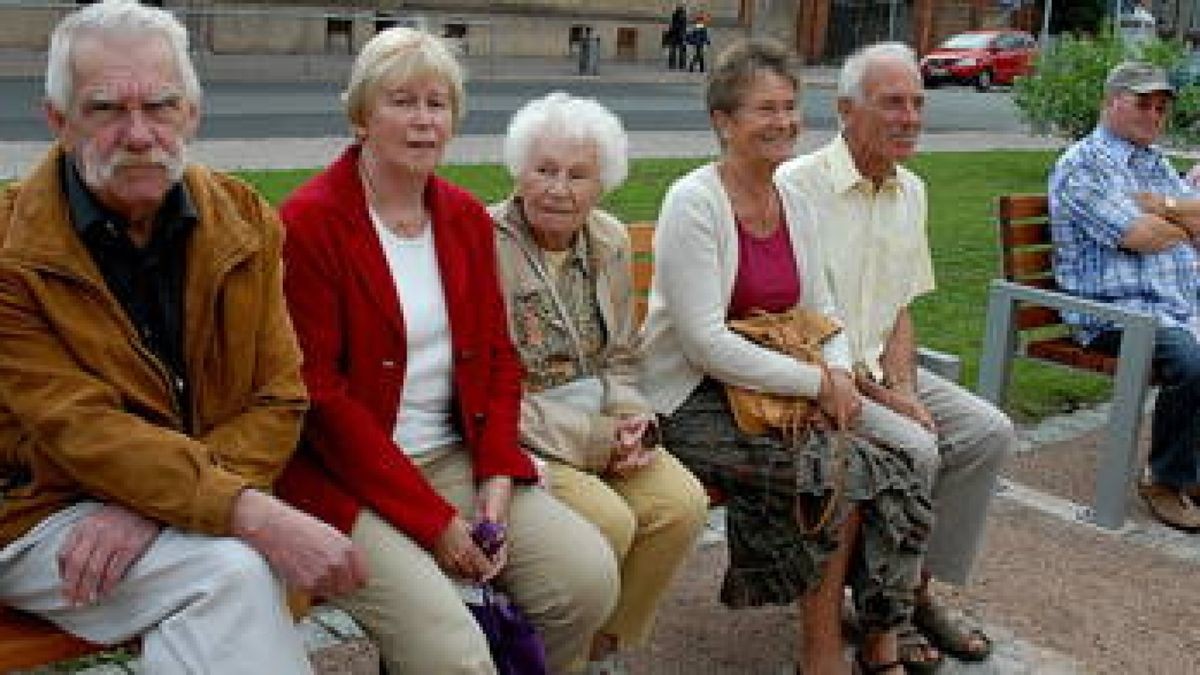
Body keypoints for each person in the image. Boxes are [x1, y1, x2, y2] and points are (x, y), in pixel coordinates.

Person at [0, 1, 366, 673]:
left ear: (192, 113)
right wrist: (243, 511)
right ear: (58, 120)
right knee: (229, 568)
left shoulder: (245, 221)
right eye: (106, 109)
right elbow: (76, 427)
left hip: (192, 499)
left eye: (162, 105)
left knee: (218, 580)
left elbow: (278, 400)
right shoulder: (10, 248)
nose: (139, 134)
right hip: (38, 509)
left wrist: (169, 509)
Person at [273, 27, 620, 674]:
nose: (423, 120)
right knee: (453, 653)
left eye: (438, 103)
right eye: (401, 101)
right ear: (361, 115)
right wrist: (437, 523)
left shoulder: (461, 216)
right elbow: (319, 399)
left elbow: (495, 359)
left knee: (586, 578)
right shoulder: (310, 222)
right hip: (344, 476)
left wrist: (496, 477)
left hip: (453, 454)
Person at [641, 38, 932, 675]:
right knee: (841, 470)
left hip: (781, 387)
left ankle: (886, 625)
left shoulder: (793, 202)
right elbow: (704, 344)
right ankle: (821, 653)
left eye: (790, 106)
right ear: (723, 121)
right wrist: (816, 384)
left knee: (904, 454)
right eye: (764, 109)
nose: (783, 122)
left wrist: (833, 371)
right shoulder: (694, 201)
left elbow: (820, 306)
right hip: (693, 398)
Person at [778, 42, 1015, 670]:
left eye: (917, 102)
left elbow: (901, 311)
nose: (910, 116)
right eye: (893, 103)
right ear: (847, 110)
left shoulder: (913, 190)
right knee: (917, 446)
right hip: (814, 377)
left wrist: (905, 389)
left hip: (882, 375)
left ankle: (916, 595)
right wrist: (886, 399)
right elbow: (791, 322)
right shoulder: (797, 187)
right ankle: (879, 618)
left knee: (987, 432)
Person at [490, 92, 709, 675]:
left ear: (601, 184)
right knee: (609, 520)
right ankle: (545, 656)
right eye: (545, 170)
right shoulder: (484, 243)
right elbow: (488, 392)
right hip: (522, 431)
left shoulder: (607, 240)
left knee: (681, 505)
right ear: (519, 170)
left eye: (578, 175)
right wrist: (595, 439)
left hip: (600, 419)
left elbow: (619, 357)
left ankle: (598, 647)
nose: (559, 189)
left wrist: (634, 418)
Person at [1049, 61, 1200, 532]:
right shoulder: (1083, 165)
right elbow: (1141, 235)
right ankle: (1164, 479)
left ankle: (1191, 471)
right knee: (1192, 361)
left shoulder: (1153, 163)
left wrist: (1166, 208)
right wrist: (1179, 220)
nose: (1154, 115)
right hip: (1116, 316)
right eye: (1142, 103)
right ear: (1110, 102)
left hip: (1176, 305)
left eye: (1161, 107)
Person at [665, 4, 688, 70]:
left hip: (675, 36)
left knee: (674, 51)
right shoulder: (683, 18)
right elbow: (682, 28)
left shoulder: (676, 17)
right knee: (681, 51)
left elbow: (672, 27)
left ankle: (673, 64)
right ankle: (681, 65)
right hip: (679, 36)